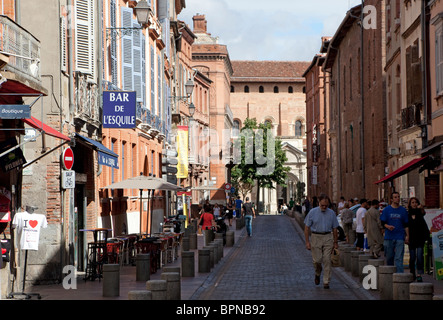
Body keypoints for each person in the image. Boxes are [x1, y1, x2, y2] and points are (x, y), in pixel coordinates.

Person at [304, 194, 339, 289]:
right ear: (319, 202)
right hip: (316, 236)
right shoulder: (312, 212)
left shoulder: (331, 213)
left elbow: (335, 228)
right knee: (317, 261)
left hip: (328, 236)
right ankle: (317, 273)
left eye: (326, 205)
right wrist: (307, 242)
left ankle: (326, 281)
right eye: (322, 205)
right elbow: (307, 228)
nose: (324, 207)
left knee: (327, 259)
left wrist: (335, 242)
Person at [380, 192, 409, 273]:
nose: (397, 198)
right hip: (389, 236)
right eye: (395, 197)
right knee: (389, 257)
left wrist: (407, 236)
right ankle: (390, 274)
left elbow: (406, 224)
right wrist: (388, 226)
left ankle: (400, 275)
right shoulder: (386, 210)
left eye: (398, 197)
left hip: (400, 236)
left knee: (399, 258)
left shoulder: (403, 210)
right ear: (391, 199)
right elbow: (382, 222)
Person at [407, 197, 430, 282]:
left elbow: (423, 213)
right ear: (410, 204)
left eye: (416, 202)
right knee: (412, 257)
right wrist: (407, 236)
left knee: (420, 256)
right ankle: (412, 272)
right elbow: (406, 226)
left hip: (420, 238)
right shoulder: (408, 214)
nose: (414, 204)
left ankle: (419, 274)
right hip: (412, 238)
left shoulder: (420, 213)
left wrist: (421, 207)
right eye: (412, 202)